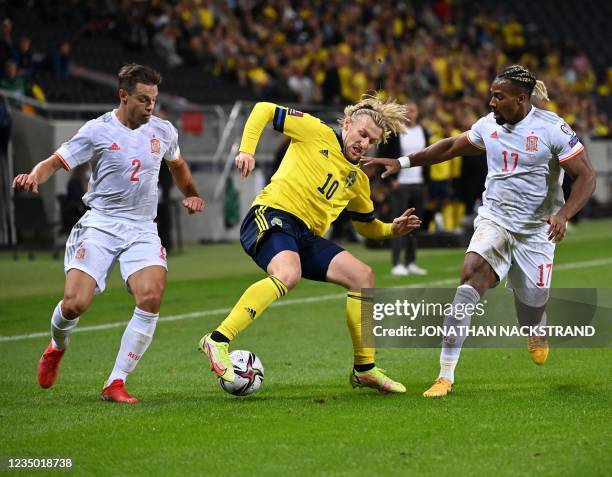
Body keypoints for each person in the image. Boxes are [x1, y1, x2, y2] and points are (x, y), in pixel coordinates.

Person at [364, 65, 596, 397]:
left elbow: (587, 176)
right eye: (490, 95)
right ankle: (445, 376)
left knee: (532, 304)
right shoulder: (489, 126)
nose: (491, 102)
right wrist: (403, 162)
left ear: (520, 99)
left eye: (498, 97)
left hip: (536, 231)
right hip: (495, 219)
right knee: (470, 278)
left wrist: (564, 214)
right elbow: (450, 147)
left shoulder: (552, 128)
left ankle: (535, 326)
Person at [199, 94, 421, 393]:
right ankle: (217, 340)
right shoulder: (315, 131)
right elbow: (263, 109)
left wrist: (392, 229)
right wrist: (246, 150)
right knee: (287, 275)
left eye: (372, 141)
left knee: (363, 277)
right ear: (346, 125)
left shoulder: (357, 179)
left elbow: (367, 227)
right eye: (362, 134)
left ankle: (364, 369)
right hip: (271, 214)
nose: (365, 143)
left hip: (304, 235)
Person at [12, 63, 204, 403]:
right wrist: (33, 176)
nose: (150, 107)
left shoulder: (163, 131)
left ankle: (115, 382)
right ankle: (57, 345)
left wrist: (190, 192)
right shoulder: (97, 131)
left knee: (151, 297)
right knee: (75, 303)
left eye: (154, 100)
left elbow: (178, 165)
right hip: (101, 224)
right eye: (143, 99)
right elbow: (55, 162)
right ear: (123, 95)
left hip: (142, 228)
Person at [378, 101, 429, 276]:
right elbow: (384, 156)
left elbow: (428, 156)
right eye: (407, 111)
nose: (410, 113)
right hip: (401, 185)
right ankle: (397, 262)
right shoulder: (395, 133)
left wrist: (426, 181)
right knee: (399, 223)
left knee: (415, 224)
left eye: (413, 110)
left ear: (418, 112)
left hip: (419, 183)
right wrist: (390, 180)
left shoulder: (423, 131)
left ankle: (411, 261)